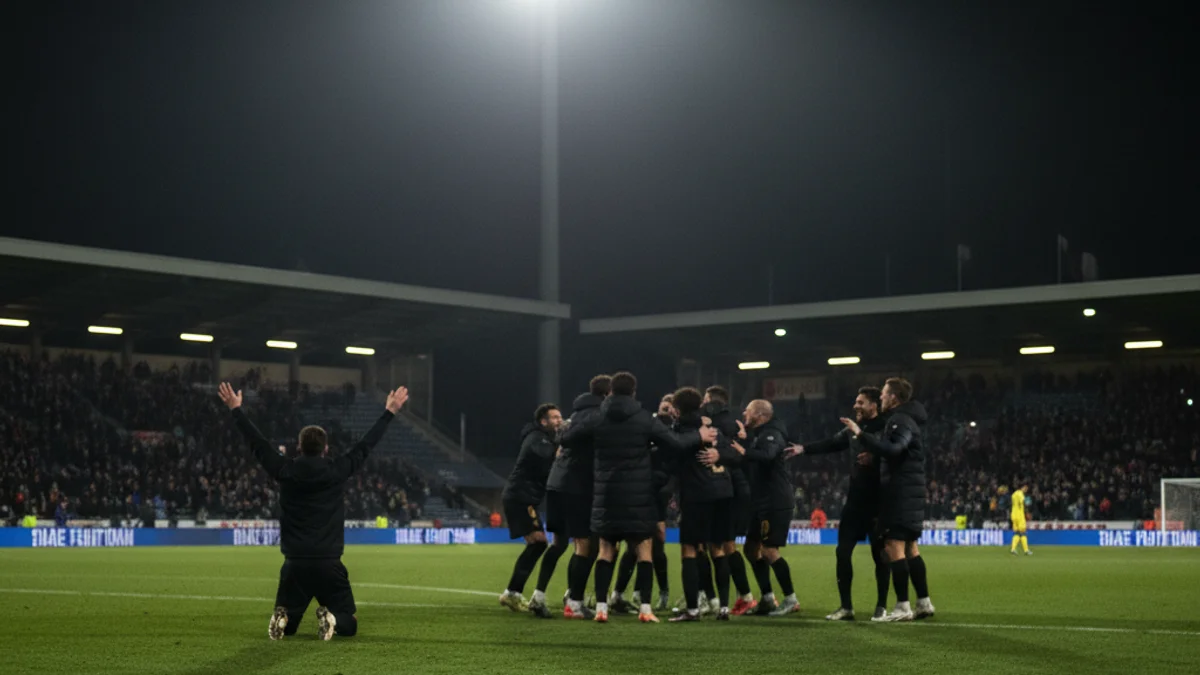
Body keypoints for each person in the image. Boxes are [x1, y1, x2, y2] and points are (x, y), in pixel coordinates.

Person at [218, 381, 408, 641]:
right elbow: (365, 446)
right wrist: (390, 412)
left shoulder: (286, 470)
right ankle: (331, 619)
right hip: (328, 562)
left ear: (299, 446)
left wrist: (236, 411)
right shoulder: (337, 470)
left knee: (291, 627)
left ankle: (283, 618)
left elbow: (258, 444)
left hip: (294, 562)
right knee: (349, 624)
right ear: (325, 448)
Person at [561, 371, 716, 624]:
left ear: (610, 391)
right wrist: (698, 437)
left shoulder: (597, 416)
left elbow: (567, 439)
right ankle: (645, 609)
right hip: (638, 494)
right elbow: (674, 443)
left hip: (606, 493)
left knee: (606, 549)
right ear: (634, 392)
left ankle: (601, 608)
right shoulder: (644, 419)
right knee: (644, 550)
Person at [788, 386, 891, 621]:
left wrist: (875, 459)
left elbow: (896, 453)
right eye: (856, 402)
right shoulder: (851, 430)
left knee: (880, 555)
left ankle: (881, 606)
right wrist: (804, 449)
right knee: (842, 552)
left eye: (861, 402)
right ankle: (846, 607)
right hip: (855, 502)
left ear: (874, 404)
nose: (856, 406)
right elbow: (831, 443)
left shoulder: (887, 427)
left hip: (879, 502)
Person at [840, 377, 935, 622]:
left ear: (893, 397)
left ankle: (902, 606)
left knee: (894, 546)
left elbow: (894, 449)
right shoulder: (909, 419)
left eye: (883, 394)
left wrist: (861, 434)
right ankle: (923, 602)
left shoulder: (899, 420)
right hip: (910, 491)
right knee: (911, 548)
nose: (881, 397)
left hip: (899, 492)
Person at [667, 387, 735, 622]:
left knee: (689, 549)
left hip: (698, 494)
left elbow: (672, 454)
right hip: (724, 491)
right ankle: (723, 608)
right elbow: (733, 453)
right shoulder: (713, 427)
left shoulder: (682, 430)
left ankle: (693, 610)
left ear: (676, 409)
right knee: (717, 548)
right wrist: (721, 455)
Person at [547, 375, 611, 619]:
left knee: (583, 545)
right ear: (607, 395)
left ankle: (573, 598)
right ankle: (574, 602)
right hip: (580, 486)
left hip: (565, 485)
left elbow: (563, 439)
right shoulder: (596, 417)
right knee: (585, 545)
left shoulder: (576, 416)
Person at [613, 393, 677, 614]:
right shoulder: (647, 426)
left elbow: (676, 464)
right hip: (640, 489)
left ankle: (663, 592)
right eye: (663, 406)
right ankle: (624, 593)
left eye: (669, 407)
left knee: (657, 543)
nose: (665, 410)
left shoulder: (676, 432)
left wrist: (670, 490)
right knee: (634, 544)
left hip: (659, 494)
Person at [499, 403, 563, 617]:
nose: (558, 420)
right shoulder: (536, 437)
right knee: (539, 543)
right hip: (520, 497)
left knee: (537, 545)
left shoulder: (543, 438)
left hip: (524, 497)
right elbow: (540, 452)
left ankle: (512, 592)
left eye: (560, 417)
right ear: (543, 421)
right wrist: (558, 449)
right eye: (554, 417)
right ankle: (512, 592)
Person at [735, 399, 798, 616]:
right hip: (759, 501)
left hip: (775, 501)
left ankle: (791, 599)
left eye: (748, 410)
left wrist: (744, 451)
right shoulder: (759, 434)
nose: (744, 412)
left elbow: (769, 455)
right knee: (751, 550)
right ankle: (768, 598)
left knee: (769, 550)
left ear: (760, 415)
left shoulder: (773, 433)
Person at [701, 386, 757, 615]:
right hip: (738, 488)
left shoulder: (712, 423)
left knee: (716, 546)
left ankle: (717, 599)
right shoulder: (735, 423)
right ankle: (743, 597)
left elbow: (734, 453)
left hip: (724, 488)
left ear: (711, 400)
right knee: (726, 544)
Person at [1010, 483, 1032, 556]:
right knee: (1023, 532)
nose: (1026, 489)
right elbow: (1024, 502)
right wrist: (1027, 511)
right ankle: (1026, 550)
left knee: (1016, 533)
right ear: (1022, 487)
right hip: (1020, 515)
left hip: (1013, 515)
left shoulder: (1013, 494)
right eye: (1025, 488)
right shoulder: (1020, 494)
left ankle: (1013, 549)